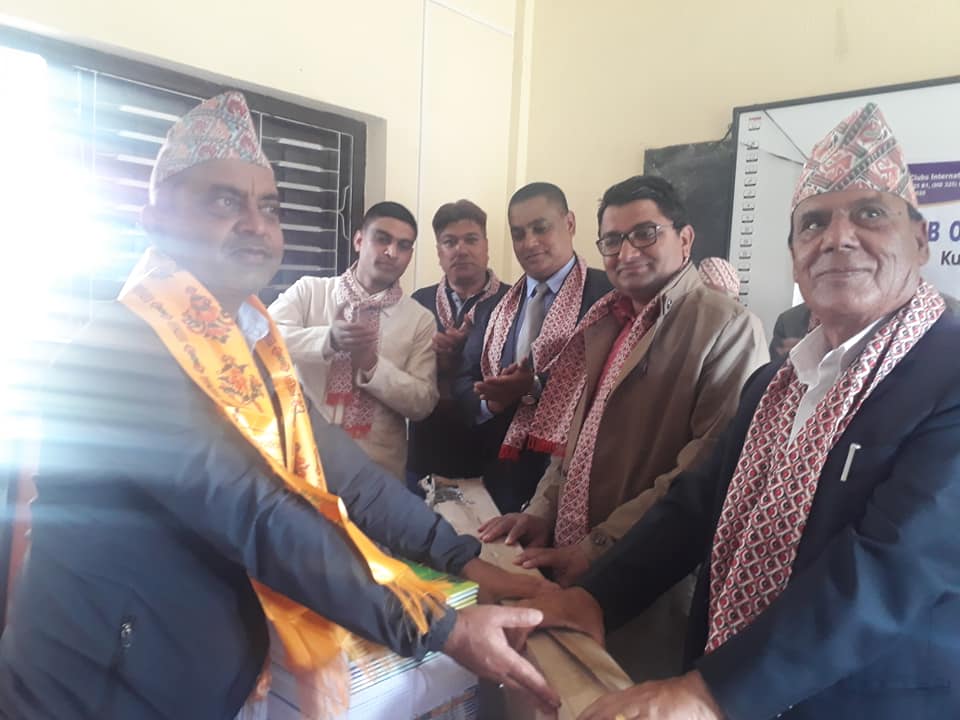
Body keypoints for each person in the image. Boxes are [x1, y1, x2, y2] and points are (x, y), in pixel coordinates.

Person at [0, 91, 560, 720]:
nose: (255, 224)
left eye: (268, 206)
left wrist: (467, 561)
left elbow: (345, 473)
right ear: (154, 221)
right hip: (99, 689)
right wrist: (442, 629)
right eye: (223, 201)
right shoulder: (119, 350)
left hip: (201, 670)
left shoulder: (248, 342)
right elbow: (258, 513)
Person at [520, 102, 960, 720]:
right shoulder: (776, 383)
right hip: (728, 671)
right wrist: (596, 597)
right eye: (813, 223)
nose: (837, 238)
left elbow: (890, 569)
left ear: (919, 239)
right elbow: (694, 506)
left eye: (869, 214)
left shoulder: (948, 372)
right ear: (794, 254)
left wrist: (711, 692)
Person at [479, 176, 767, 679]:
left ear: (685, 239)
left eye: (645, 233)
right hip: (570, 560)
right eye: (612, 240)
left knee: (623, 696)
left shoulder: (726, 327)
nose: (627, 252)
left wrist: (598, 548)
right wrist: (542, 511)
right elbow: (576, 437)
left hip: (644, 577)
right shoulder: (606, 319)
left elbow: (702, 474)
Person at [453, 182, 612, 513]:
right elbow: (463, 381)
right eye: (518, 234)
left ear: (569, 223)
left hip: (577, 482)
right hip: (500, 479)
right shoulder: (493, 307)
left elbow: (610, 384)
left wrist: (536, 387)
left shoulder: (608, 296)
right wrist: (491, 403)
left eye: (541, 229)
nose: (529, 243)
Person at [268, 201, 438, 481]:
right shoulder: (310, 292)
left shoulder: (419, 319)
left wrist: (372, 366)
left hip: (376, 471)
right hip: (301, 459)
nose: (392, 252)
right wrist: (328, 339)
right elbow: (261, 338)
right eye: (382, 239)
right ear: (359, 240)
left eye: (404, 245)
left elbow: (422, 403)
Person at [408, 200, 508, 483]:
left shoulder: (514, 300)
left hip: (495, 457)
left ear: (486, 246)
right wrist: (437, 364)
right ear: (439, 252)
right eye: (450, 242)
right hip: (427, 453)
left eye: (471, 240)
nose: (461, 250)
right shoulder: (418, 303)